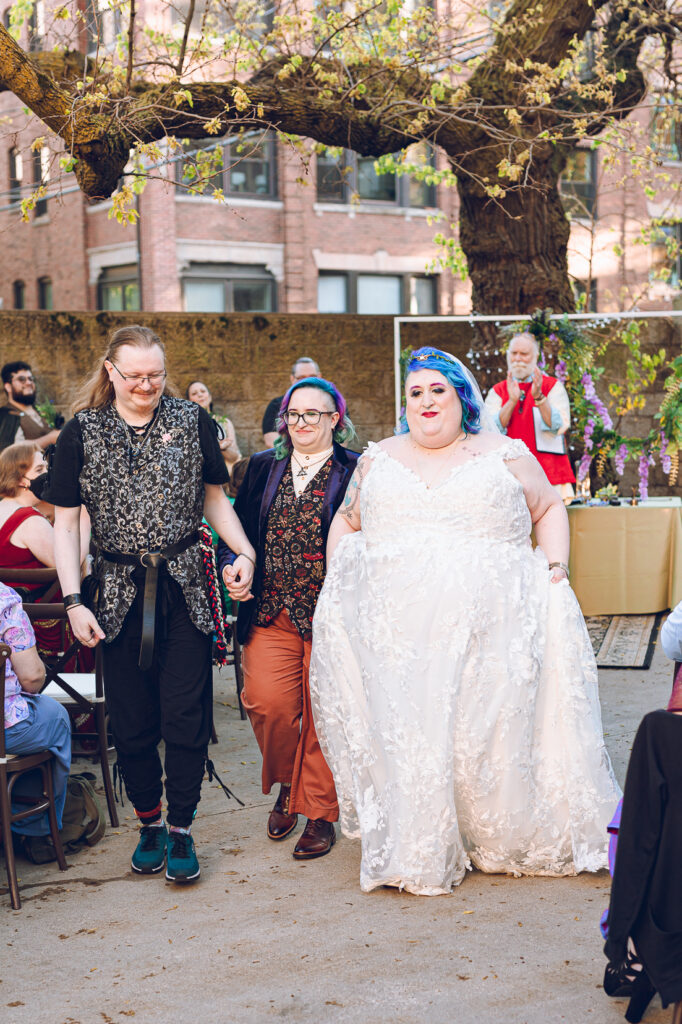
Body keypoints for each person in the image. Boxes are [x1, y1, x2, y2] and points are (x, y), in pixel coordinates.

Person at [309, 346, 620, 895]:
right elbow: (347, 521)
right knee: (418, 729)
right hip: (402, 632)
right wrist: (341, 582)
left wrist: (555, 568)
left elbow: (548, 508)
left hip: (493, 625)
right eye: (415, 392)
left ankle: (490, 833)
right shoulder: (379, 459)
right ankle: (423, 834)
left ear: (461, 397)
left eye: (438, 391)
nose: (426, 401)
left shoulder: (505, 453)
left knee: (487, 725)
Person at [43, 325, 256, 885]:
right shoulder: (81, 433)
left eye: (156, 375)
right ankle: (149, 823)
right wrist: (71, 601)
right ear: (110, 372)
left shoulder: (192, 422)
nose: (146, 385)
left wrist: (244, 551)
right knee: (133, 724)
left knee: (186, 716)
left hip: (186, 586)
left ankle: (183, 828)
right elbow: (66, 524)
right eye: (135, 375)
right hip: (112, 593)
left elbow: (215, 498)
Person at [218, 377, 358, 860]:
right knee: (265, 703)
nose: (300, 423)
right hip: (271, 610)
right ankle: (289, 782)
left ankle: (318, 812)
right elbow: (233, 529)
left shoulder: (357, 471)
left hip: (331, 617)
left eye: (312, 415)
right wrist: (234, 562)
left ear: (334, 420)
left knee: (323, 717)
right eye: (293, 415)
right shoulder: (260, 467)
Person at [0, 442, 90, 664]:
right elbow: (71, 562)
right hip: (42, 626)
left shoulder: (5, 508)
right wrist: (85, 516)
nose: (49, 475)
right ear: (20, 479)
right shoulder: (27, 519)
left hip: (11, 622)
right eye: (39, 471)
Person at [2, 581, 71, 862]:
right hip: (7, 728)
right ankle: (36, 831)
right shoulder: (4, 599)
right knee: (57, 719)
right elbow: (31, 679)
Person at [484, 332, 575, 500]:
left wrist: (539, 397)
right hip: (509, 474)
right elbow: (490, 431)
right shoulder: (497, 391)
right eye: (514, 353)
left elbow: (559, 426)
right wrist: (511, 401)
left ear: (535, 357)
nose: (518, 358)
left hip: (548, 473)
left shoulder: (553, 387)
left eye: (524, 354)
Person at [0, 361, 61, 452]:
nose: (29, 383)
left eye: (31, 379)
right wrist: (49, 439)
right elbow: (10, 452)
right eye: (21, 379)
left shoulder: (40, 411)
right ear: (8, 387)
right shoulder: (5, 415)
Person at [186, 380, 242, 477]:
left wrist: (222, 448)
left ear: (210, 397)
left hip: (225, 479)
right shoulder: (187, 425)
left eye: (203, 391)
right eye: (194, 393)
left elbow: (234, 457)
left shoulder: (224, 423)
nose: (200, 395)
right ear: (189, 401)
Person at [262, 357, 320, 448]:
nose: (307, 381)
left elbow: (342, 440)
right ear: (292, 379)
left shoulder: (333, 403)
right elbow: (270, 440)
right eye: (301, 377)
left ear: (319, 377)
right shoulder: (276, 405)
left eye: (312, 376)